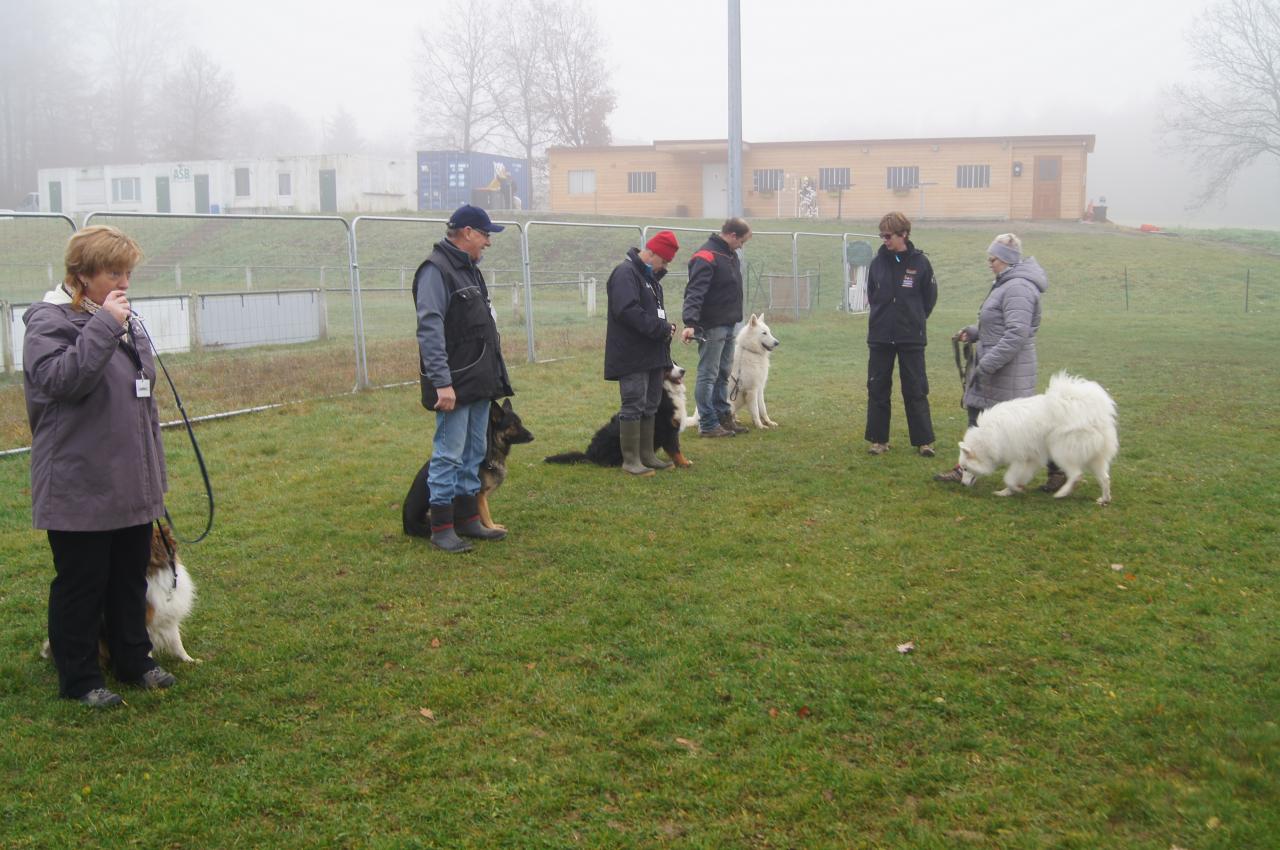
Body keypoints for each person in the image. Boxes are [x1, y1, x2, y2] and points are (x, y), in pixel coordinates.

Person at [22, 225, 175, 707]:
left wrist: (152, 475)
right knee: (82, 583)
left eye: (128, 271)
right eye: (113, 271)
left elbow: (139, 393)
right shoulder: (49, 322)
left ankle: (135, 659)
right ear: (81, 275)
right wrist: (106, 326)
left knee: (129, 577)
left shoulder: (121, 317)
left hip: (129, 480)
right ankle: (81, 676)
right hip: (79, 482)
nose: (124, 281)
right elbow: (62, 380)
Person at [413, 204, 514, 553]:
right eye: (485, 234)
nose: (488, 242)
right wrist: (442, 382)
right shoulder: (435, 271)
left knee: (473, 452)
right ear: (468, 232)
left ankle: (468, 519)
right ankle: (442, 528)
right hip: (454, 383)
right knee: (448, 455)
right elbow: (430, 330)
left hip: (479, 382)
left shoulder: (469, 270)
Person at [934, 233, 1062, 489]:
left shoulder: (1018, 287)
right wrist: (974, 332)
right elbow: (998, 325)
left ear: (1006, 260)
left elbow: (1016, 333)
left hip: (1008, 370)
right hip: (996, 367)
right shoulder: (1007, 283)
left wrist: (988, 362)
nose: (989, 263)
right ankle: (966, 467)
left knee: (1028, 429)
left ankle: (1058, 472)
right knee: (977, 417)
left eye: (993, 258)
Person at [604, 230, 680, 476]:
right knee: (634, 404)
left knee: (651, 404)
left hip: (652, 354)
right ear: (653, 253)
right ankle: (631, 460)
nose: (665, 266)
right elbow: (627, 310)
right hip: (631, 354)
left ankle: (647, 455)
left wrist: (665, 329)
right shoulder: (625, 273)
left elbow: (651, 312)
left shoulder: (649, 278)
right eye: (664, 261)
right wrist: (661, 327)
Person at [864, 211, 937, 457]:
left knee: (915, 388)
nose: (884, 240)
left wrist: (913, 318)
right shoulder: (877, 263)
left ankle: (924, 441)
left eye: (888, 236)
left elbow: (929, 298)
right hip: (880, 336)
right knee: (877, 388)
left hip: (911, 337)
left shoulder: (921, 263)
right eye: (882, 235)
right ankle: (878, 440)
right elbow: (872, 294)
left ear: (903, 234)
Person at [681, 217, 752, 437]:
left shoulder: (730, 255)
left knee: (723, 374)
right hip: (712, 325)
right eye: (742, 241)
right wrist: (691, 322)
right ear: (732, 235)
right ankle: (708, 424)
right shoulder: (707, 255)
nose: (742, 246)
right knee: (708, 374)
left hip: (730, 323)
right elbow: (695, 291)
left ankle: (724, 417)